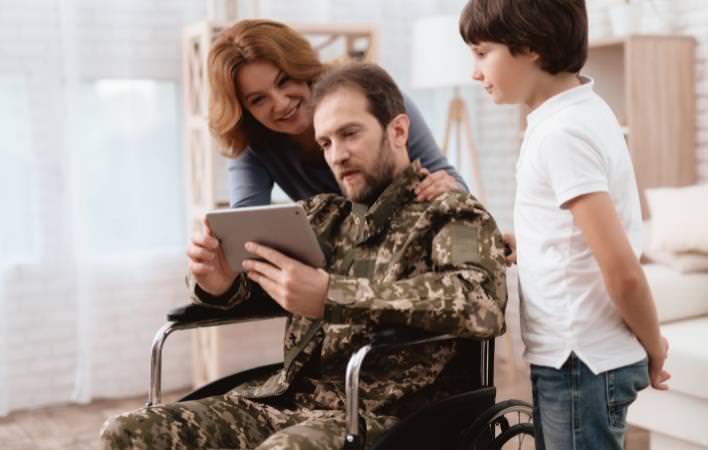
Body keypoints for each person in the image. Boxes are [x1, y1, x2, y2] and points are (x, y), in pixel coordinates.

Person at [100, 62, 508, 450]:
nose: (337, 155)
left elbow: (479, 302)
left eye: (350, 134)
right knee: (131, 432)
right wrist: (217, 281)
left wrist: (332, 296)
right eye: (326, 142)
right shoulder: (323, 217)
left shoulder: (452, 213)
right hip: (289, 400)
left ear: (399, 131)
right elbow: (258, 284)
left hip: (388, 414)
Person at [458, 1, 670, 449]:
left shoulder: (562, 133)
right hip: (579, 358)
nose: (475, 72)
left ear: (529, 46)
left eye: (482, 53)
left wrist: (655, 345)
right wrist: (532, 246)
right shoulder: (577, 113)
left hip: (579, 361)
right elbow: (580, 238)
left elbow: (622, 270)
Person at [208, 19, 467, 207]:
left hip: (402, 244)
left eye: (284, 80)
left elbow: (454, 187)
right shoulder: (252, 139)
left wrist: (449, 190)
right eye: (258, 99)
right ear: (245, 110)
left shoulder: (375, 100)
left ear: (301, 68)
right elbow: (246, 223)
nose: (280, 103)